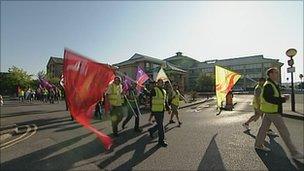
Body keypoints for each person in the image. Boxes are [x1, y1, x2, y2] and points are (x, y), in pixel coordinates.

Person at [254, 68, 304, 160]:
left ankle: (258, 144)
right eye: (276, 73)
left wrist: (281, 97)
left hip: (269, 111)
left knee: (263, 129)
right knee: (284, 132)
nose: (278, 74)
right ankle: (294, 152)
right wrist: (283, 99)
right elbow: (269, 98)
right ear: (270, 74)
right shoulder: (269, 85)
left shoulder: (271, 84)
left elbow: (271, 97)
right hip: (273, 112)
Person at [148, 79, 168, 147]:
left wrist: (168, 109)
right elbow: (150, 99)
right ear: (157, 83)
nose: (161, 84)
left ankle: (151, 130)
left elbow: (165, 101)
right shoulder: (154, 90)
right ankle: (161, 140)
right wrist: (151, 110)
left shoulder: (164, 91)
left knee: (160, 124)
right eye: (160, 83)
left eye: (162, 83)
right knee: (161, 125)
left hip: (162, 110)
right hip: (156, 110)